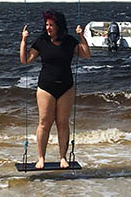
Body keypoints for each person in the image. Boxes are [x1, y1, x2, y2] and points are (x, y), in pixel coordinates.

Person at [20, 10, 91, 169]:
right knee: (44, 123)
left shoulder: (69, 41)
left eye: (51, 25)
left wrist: (81, 36)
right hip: (46, 87)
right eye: (47, 24)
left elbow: (86, 55)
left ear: (59, 26)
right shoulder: (42, 41)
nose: (48, 28)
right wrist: (24, 39)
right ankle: (41, 158)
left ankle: (63, 157)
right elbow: (25, 60)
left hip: (66, 86)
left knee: (63, 123)